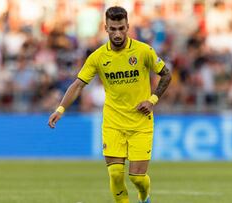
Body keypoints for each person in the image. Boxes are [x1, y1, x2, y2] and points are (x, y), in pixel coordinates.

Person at [48, 6, 171, 203]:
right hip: (113, 123)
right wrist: (60, 109)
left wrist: (152, 100)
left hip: (140, 123)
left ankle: (144, 195)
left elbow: (166, 74)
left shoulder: (143, 51)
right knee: (115, 174)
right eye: (113, 29)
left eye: (121, 28)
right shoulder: (98, 57)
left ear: (128, 26)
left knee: (137, 178)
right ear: (106, 28)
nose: (117, 33)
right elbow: (78, 84)